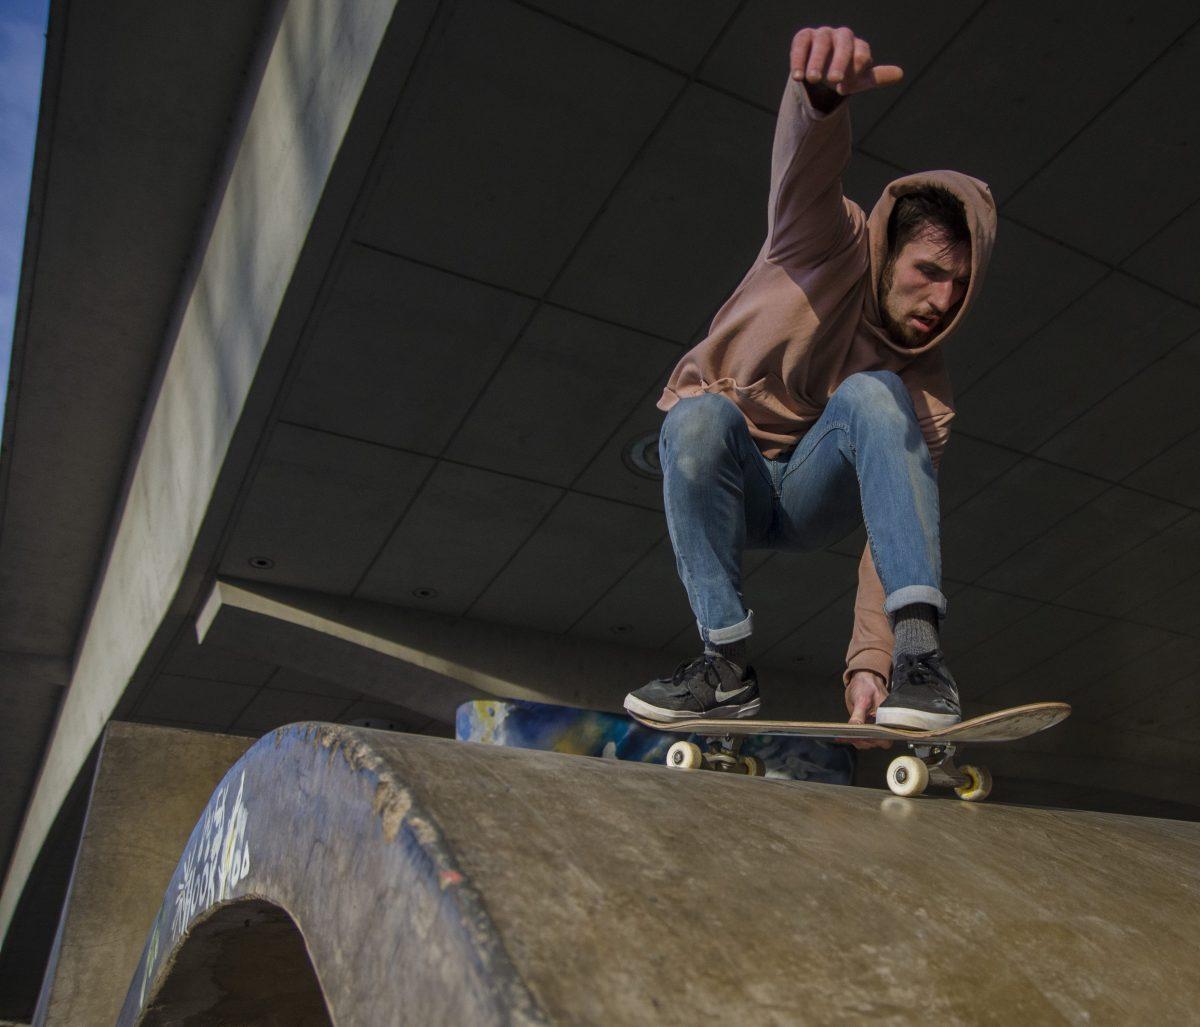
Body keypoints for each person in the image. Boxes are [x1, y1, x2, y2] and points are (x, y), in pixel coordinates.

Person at [623, 26, 996, 736]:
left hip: (808, 498)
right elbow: (806, 169)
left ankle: (924, 658)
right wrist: (819, 101)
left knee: (875, 393)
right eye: (927, 273)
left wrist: (873, 661)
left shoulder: (929, 387)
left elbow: (892, 526)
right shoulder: (823, 237)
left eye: (958, 286)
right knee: (699, 418)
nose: (941, 302)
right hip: (728, 476)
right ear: (889, 254)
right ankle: (724, 664)